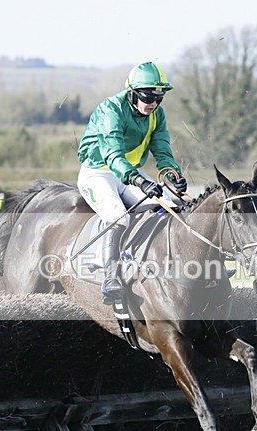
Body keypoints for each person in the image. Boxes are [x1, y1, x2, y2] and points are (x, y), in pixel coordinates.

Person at [76, 61, 187, 304]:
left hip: (129, 173)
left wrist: (173, 175)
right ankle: (111, 275)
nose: (154, 103)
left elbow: (162, 149)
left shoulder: (157, 114)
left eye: (159, 97)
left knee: (169, 207)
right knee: (118, 215)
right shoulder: (110, 110)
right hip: (98, 173)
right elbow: (113, 155)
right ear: (133, 92)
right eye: (148, 96)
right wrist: (139, 180)